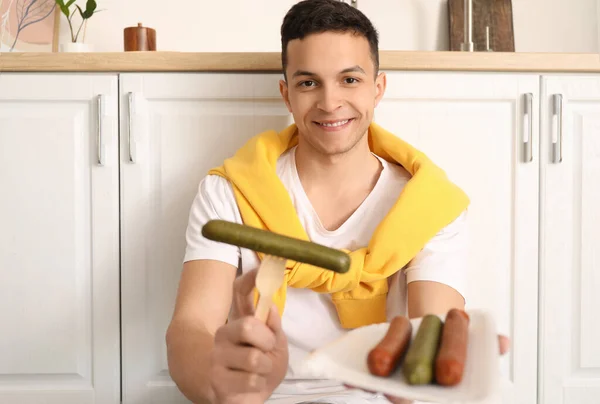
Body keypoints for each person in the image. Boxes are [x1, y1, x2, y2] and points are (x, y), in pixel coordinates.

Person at [165, 1, 509, 403]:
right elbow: (191, 327)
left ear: (377, 88)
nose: (330, 103)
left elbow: (428, 328)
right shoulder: (228, 192)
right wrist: (222, 385)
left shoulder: (429, 203)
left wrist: (415, 387)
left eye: (349, 79)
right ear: (286, 94)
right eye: (309, 83)